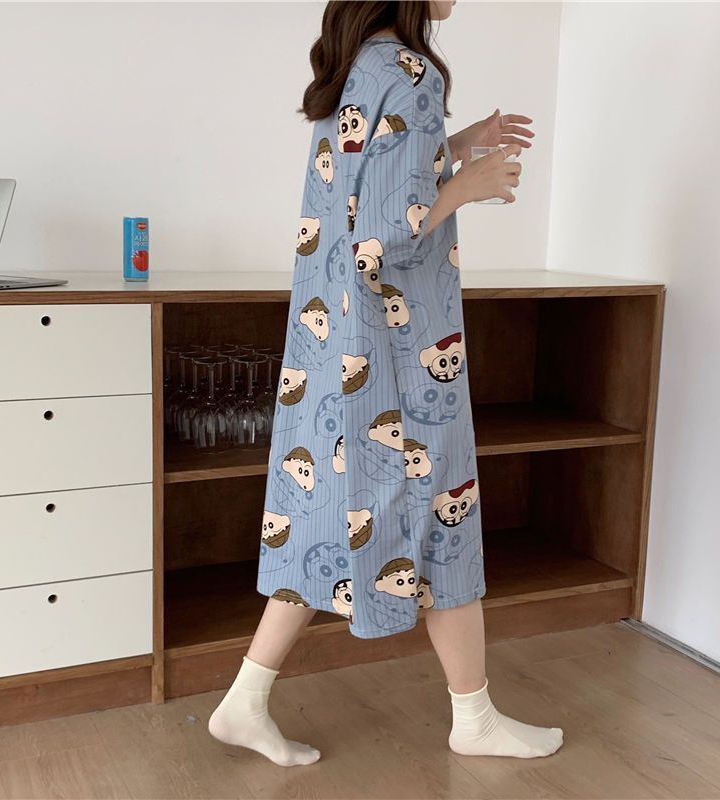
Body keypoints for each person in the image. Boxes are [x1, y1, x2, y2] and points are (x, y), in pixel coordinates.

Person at [208, 0, 563, 766]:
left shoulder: (359, 64)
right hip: (399, 354)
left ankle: (244, 700)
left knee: (320, 518)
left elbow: (364, 183)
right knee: (444, 515)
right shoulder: (410, 71)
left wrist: (456, 145)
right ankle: (473, 719)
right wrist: (467, 183)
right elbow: (383, 232)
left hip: (335, 344)